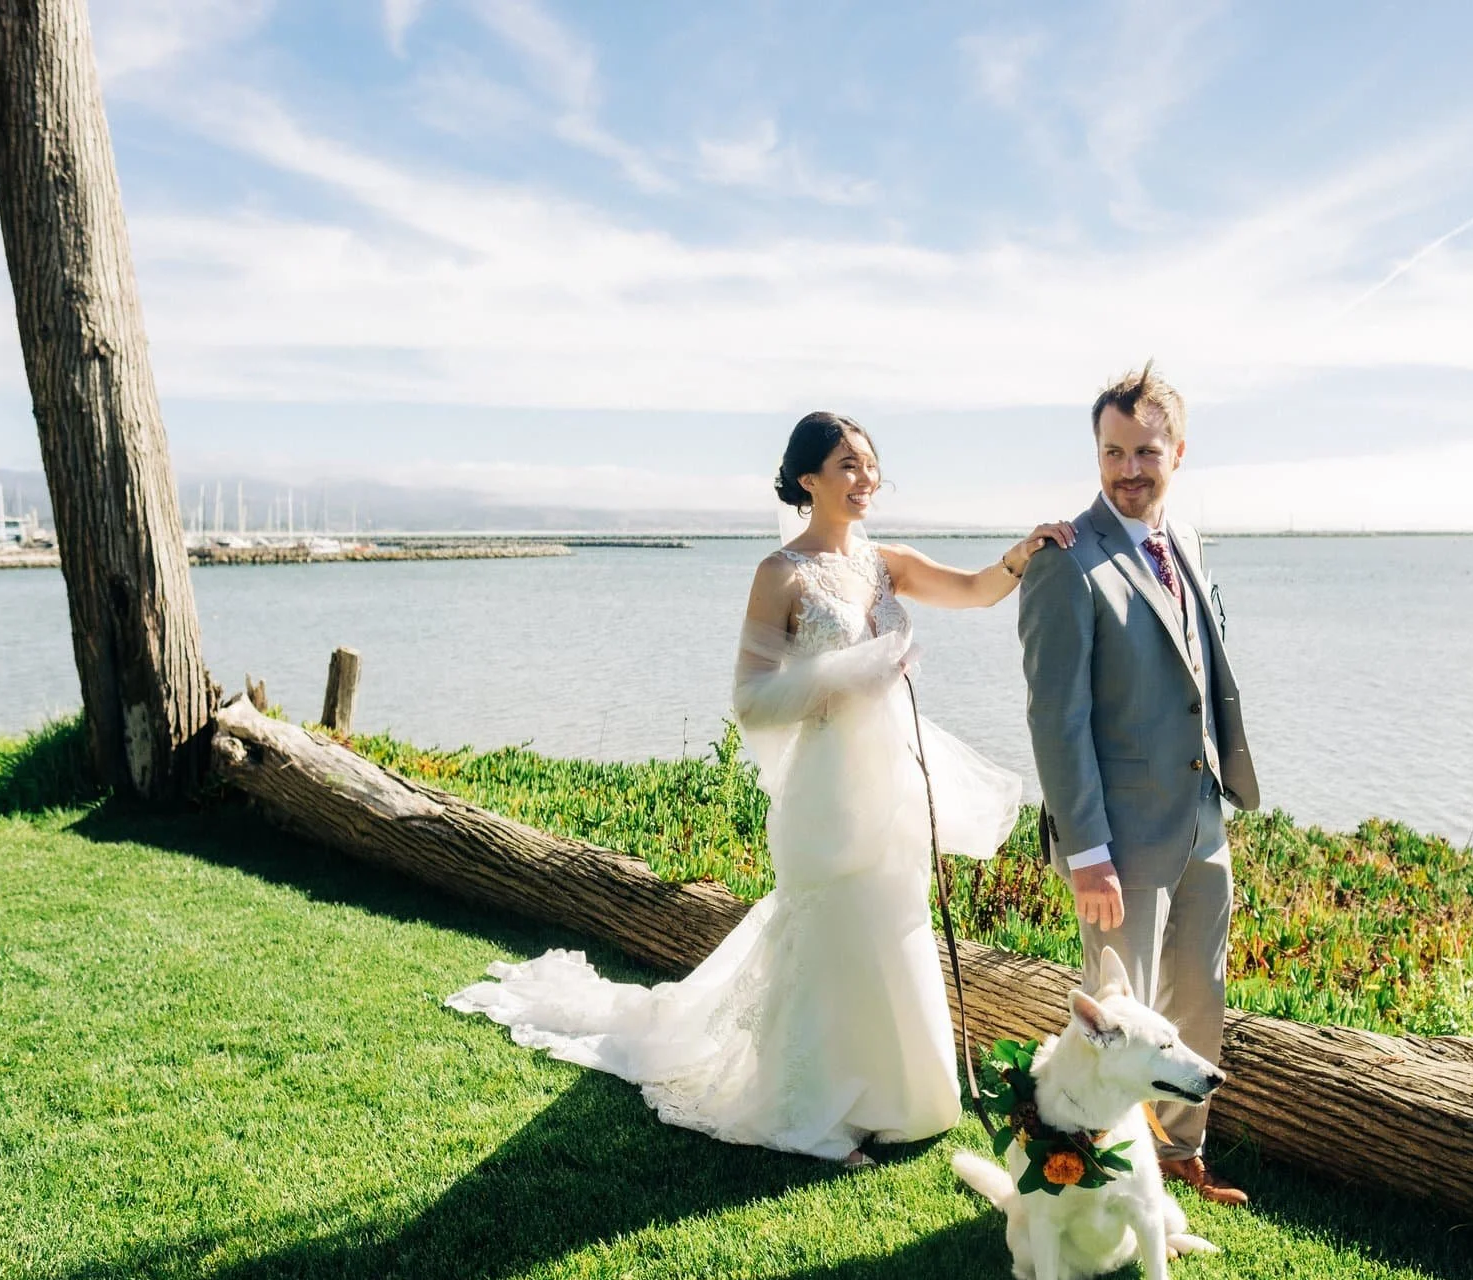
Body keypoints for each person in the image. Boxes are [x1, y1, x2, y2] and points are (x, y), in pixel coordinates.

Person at [448, 411, 1074, 1165]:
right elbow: (752, 698)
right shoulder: (781, 574)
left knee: (891, 923)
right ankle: (812, 1106)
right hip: (826, 783)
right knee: (830, 930)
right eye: (848, 465)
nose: (866, 477)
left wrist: (1023, 553)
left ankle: (899, 1097)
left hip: (895, 777)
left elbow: (974, 590)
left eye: (870, 463)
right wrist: (855, 673)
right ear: (808, 479)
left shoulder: (887, 563)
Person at [1016, 364, 1261, 1206]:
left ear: (1177, 453)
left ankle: (1182, 1153)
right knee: (1118, 1023)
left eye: (1145, 451)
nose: (1128, 468)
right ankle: (1106, 1182)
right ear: (1096, 452)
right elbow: (1057, 719)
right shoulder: (1065, 562)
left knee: (1197, 996)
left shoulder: (1183, 539)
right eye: (1112, 451)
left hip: (1200, 820)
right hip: (1115, 841)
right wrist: (1087, 850)